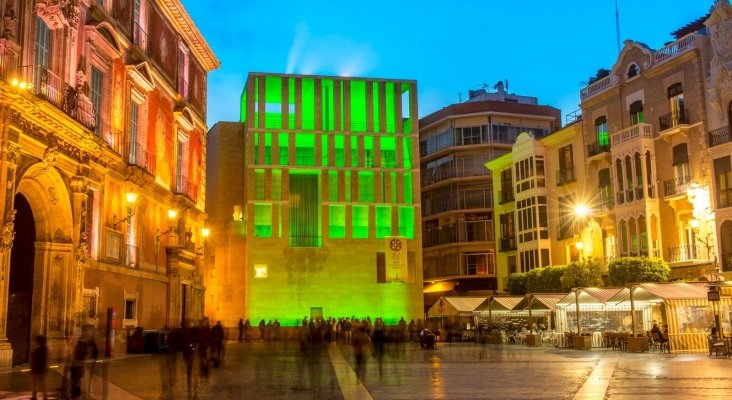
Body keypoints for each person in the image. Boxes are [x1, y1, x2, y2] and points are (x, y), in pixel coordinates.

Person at [30, 335, 48, 400]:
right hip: (42, 370)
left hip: (36, 370)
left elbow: (34, 360)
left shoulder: (37, 350)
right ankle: (45, 397)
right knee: (43, 384)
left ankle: (34, 397)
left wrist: (32, 369)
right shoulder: (44, 350)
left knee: (34, 384)